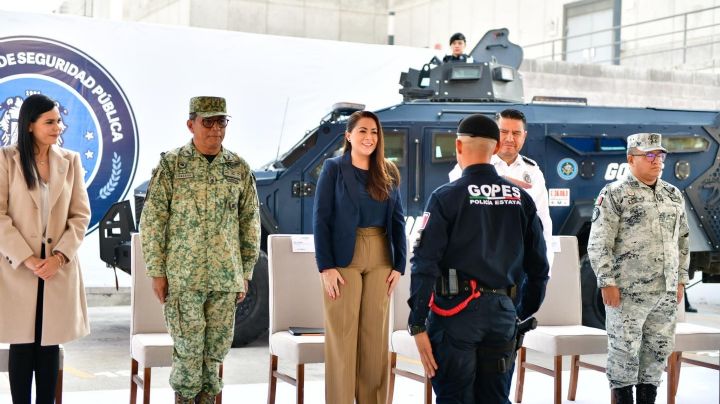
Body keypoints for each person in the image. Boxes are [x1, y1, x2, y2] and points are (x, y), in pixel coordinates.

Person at [408, 113, 549, 403]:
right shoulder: (520, 198)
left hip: (454, 316)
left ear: (458, 147)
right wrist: (520, 311)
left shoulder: (445, 197)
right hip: (503, 315)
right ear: (496, 148)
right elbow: (539, 267)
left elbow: (424, 264)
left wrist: (418, 323)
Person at [140, 96, 260, 404]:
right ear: (191, 124)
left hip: (224, 279)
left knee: (214, 356)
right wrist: (156, 271)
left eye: (222, 122)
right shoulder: (172, 164)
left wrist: (244, 272)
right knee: (188, 354)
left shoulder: (238, 167)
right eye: (208, 122)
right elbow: (153, 219)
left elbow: (250, 223)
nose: (215, 130)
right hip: (183, 277)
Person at [0, 94, 91, 404]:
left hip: (57, 270)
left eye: (59, 120)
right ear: (29, 125)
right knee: (22, 345)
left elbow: (80, 215)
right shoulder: (6, 160)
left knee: (50, 345)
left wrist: (60, 257)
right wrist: (26, 258)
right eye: (50, 121)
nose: (58, 127)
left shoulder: (71, 160)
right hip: (17, 270)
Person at [588, 133, 689, 404]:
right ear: (631, 159)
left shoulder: (673, 194)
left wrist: (680, 280)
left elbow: (682, 241)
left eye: (661, 155)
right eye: (650, 155)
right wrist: (606, 281)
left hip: (664, 292)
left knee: (656, 353)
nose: (658, 161)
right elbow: (599, 242)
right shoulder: (614, 193)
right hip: (626, 293)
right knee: (624, 353)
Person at [313, 110, 406, 404]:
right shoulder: (333, 169)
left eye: (374, 132)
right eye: (363, 131)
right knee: (342, 336)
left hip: (381, 254)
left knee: (374, 340)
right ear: (349, 136)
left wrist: (399, 265)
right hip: (343, 258)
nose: (369, 137)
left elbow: (398, 221)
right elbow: (321, 218)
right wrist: (325, 267)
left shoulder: (388, 171)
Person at [449, 108, 553, 268]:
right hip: (480, 264)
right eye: (503, 132)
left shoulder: (533, 172)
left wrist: (545, 270)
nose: (510, 138)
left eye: (516, 133)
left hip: (519, 266)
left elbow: (543, 225)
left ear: (524, 136)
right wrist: (494, 181)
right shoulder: (472, 163)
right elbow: (456, 190)